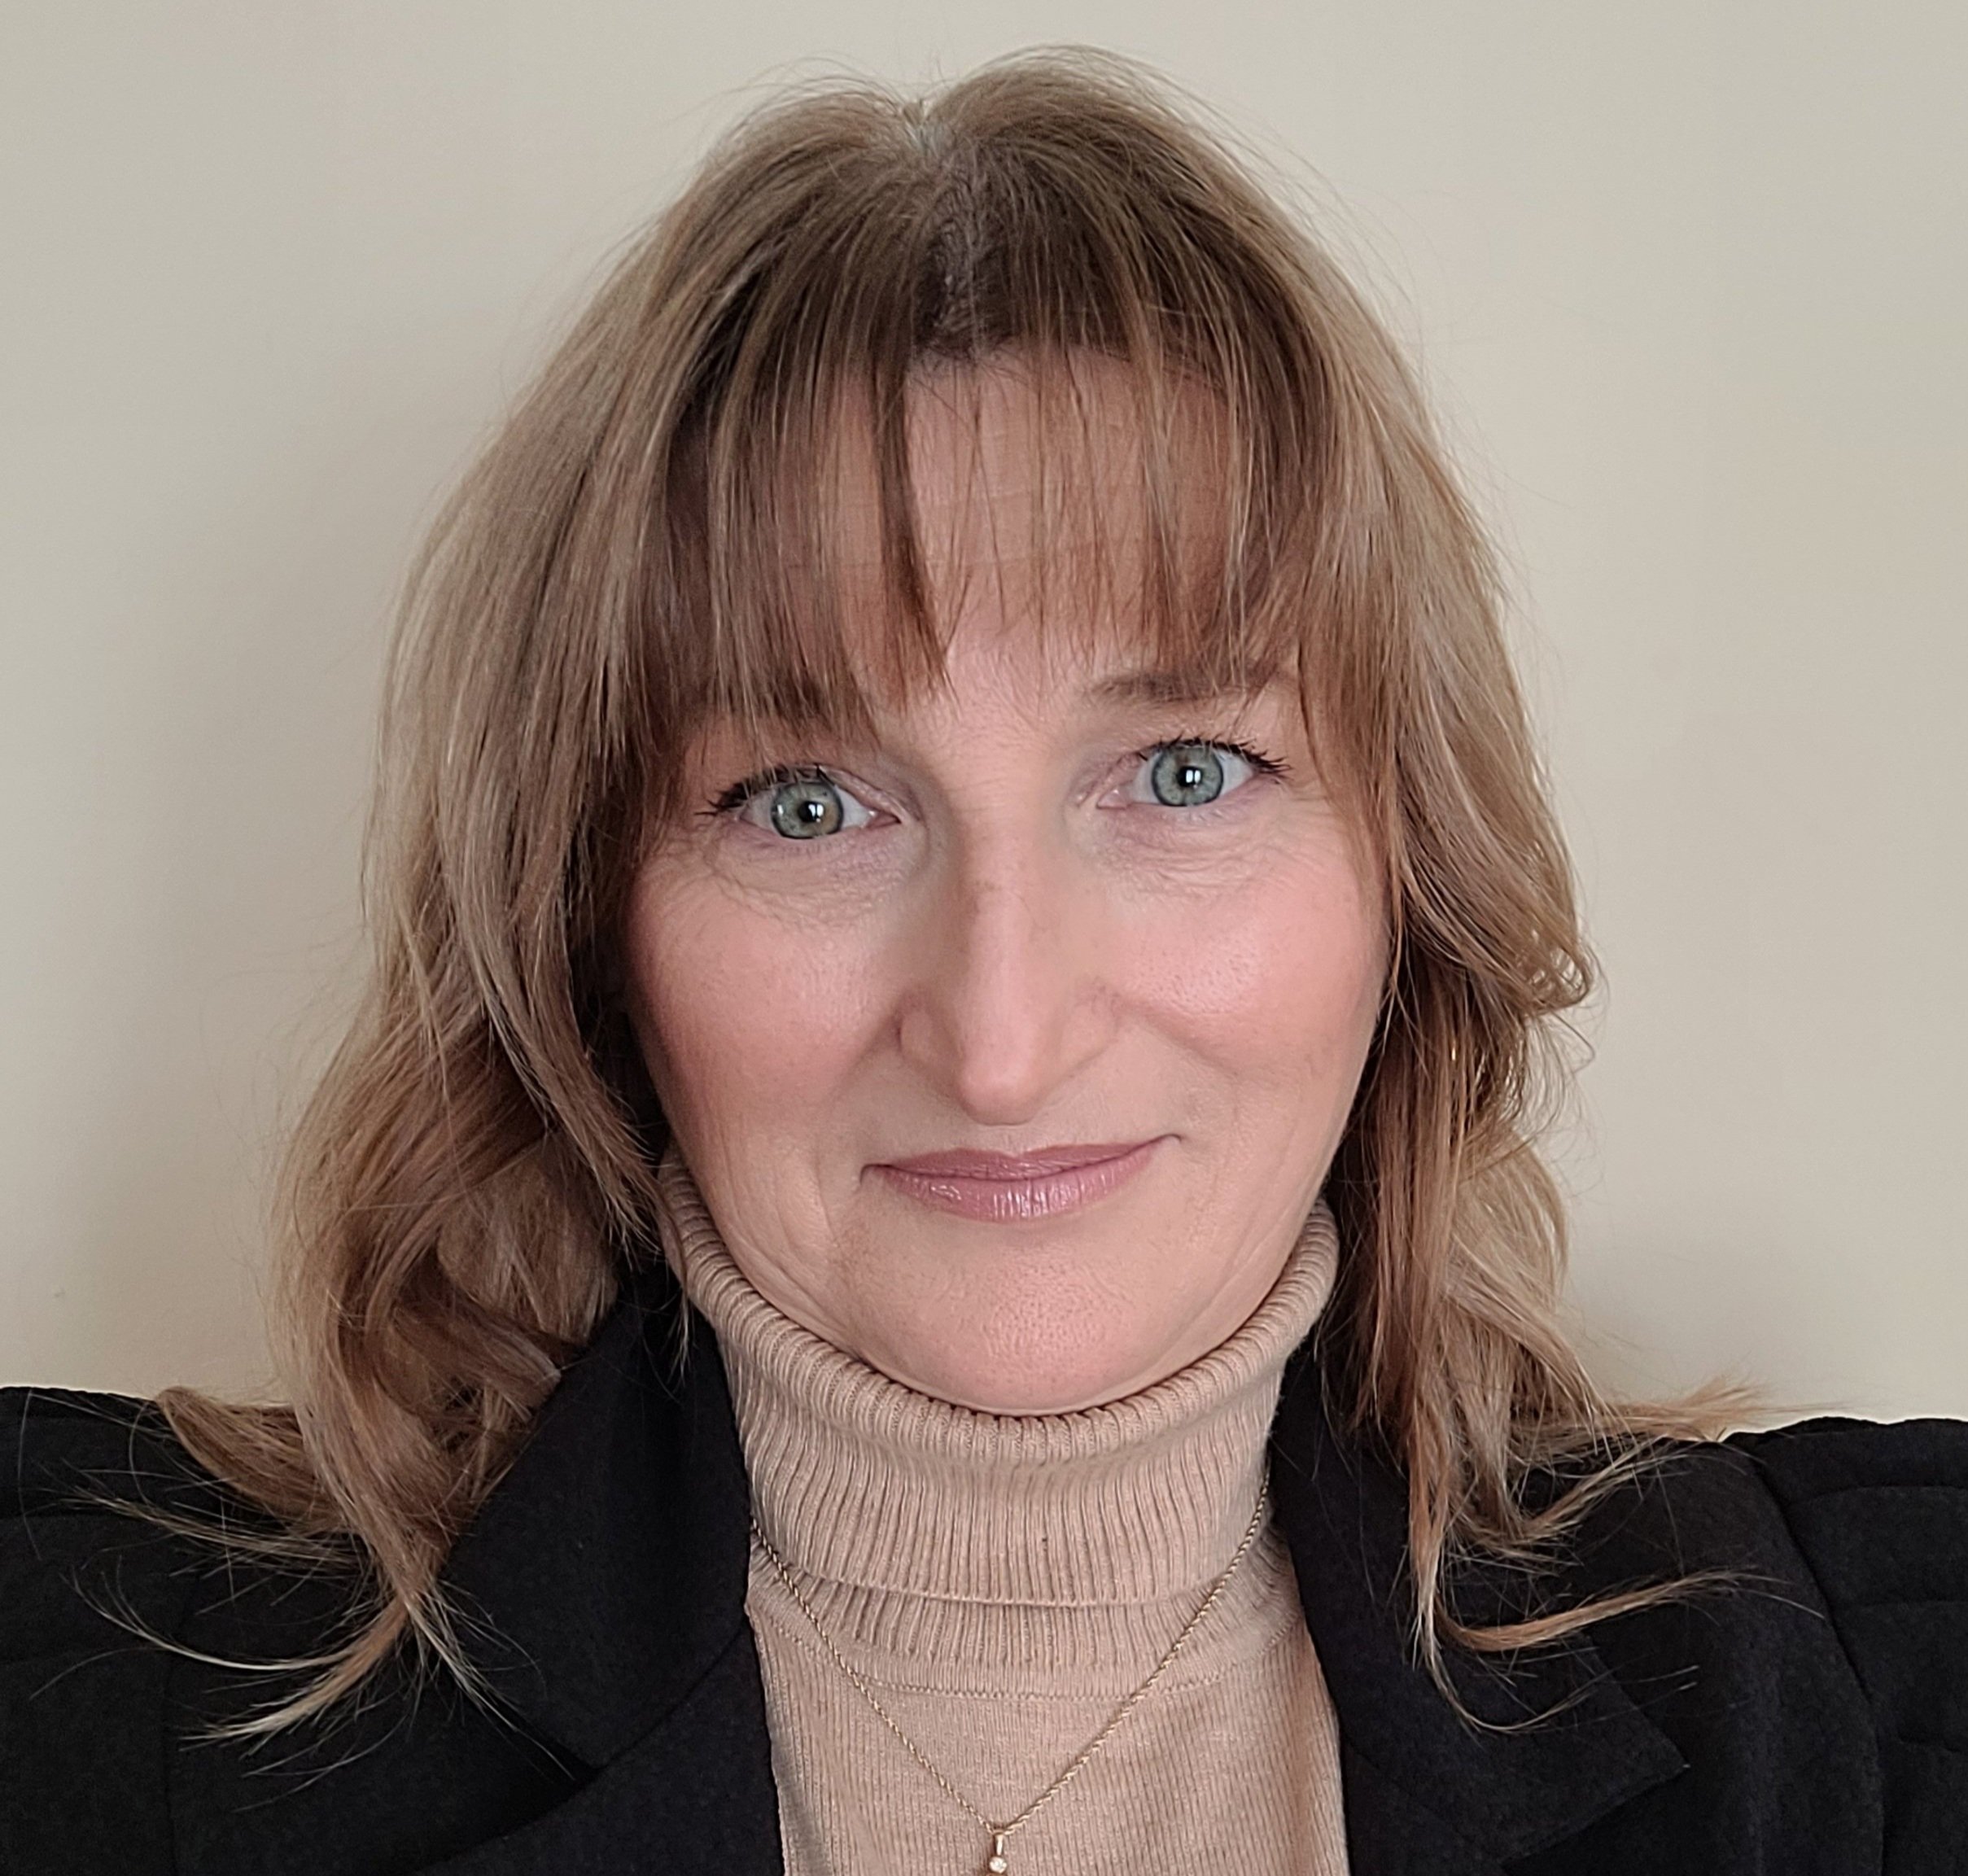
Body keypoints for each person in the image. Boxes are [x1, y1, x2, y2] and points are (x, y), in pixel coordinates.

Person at [2, 48, 1962, 1876]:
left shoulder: (1868, 1703)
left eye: (1184, 773)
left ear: (1410, 882)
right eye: (804, 802)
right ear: (587, 922)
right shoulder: (87, 1694)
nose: (1006, 1039)